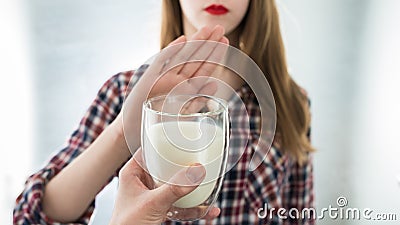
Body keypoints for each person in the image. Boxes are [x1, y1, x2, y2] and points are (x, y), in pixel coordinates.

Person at [14, 0, 315, 224]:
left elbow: (300, 216)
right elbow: (34, 215)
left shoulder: (290, 103)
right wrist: (124, 129)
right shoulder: (125, 91)